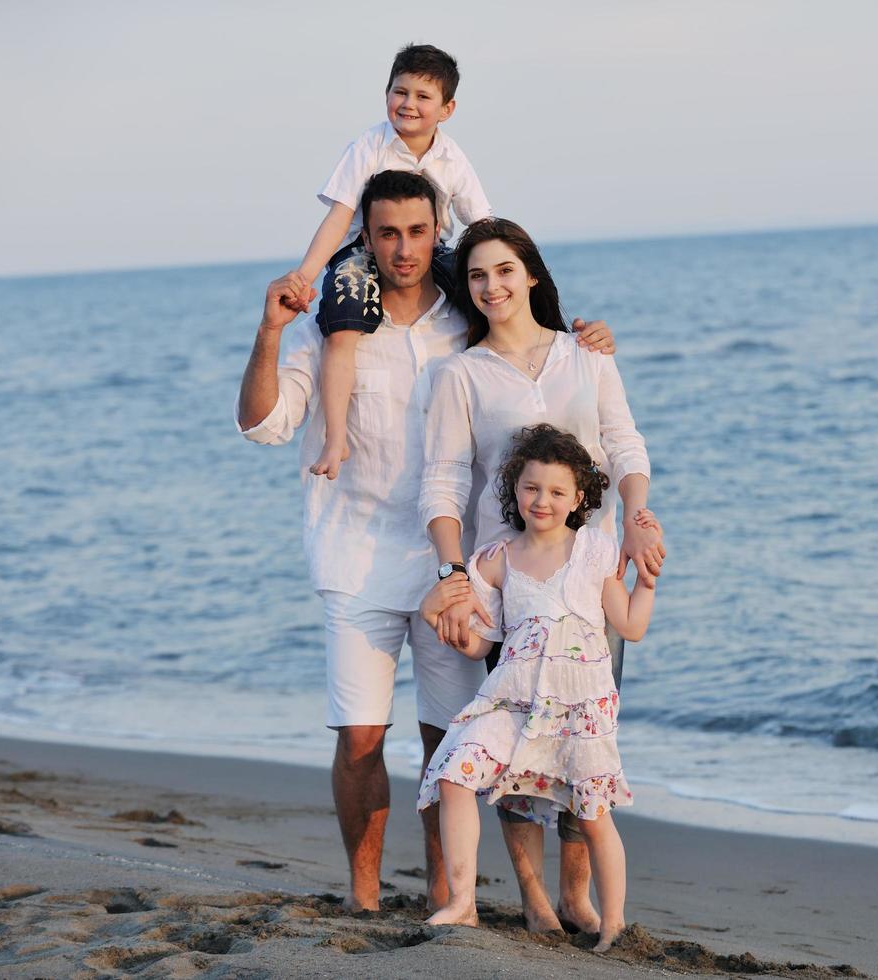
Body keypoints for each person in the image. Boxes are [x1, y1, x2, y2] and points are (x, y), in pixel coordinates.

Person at [237, 171, 613, 913]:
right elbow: (264, 424)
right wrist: (270, 330)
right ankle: (365, 896)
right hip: (357, 558)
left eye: (416, 232)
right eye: (386, 233)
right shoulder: (331, 331)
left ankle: (448, 893)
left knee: (453, 742)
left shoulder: (465, 322)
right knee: (359, 739)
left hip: (459, 571)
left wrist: (585, 340)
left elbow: (533, 359)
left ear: (435, 228)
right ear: (367, 238)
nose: (403, 248)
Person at [419, 217, 666, 934]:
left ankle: (575, 894)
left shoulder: (585, 355)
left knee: (583, 731)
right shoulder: (460, 375)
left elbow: (624, 444)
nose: (491, 286)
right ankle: (532, 895)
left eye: (503, 270)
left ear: (531, 273)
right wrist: (456, 575)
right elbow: (440, 484)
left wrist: (640, 516)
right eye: (476, 276)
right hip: (510, 580)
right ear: (467, 291)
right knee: (519, 735)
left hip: (590, 571)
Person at [418, 424, 661, 952]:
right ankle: (462, 901)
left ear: (579, 498)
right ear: (514, 489)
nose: (542, 501)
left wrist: (646, 583)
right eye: (531, 488)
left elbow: (631, 626)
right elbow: (481, 646)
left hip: (580, 710)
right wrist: (436, 615)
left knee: (594, 815)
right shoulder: (495, 559)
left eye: (556, 492)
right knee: (456, 772)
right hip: (514, 702)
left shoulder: (596, 550)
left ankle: (614, 920)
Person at [289, 42, 491, 481]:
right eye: (400, 92)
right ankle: (337, 436)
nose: (409, 104)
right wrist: (305, 276)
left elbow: (482, 222)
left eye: (423, 97)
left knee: (481, 299)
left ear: (447, 108)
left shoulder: (452, 158)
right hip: (362, 251)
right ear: (386, 94)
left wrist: (511, 276)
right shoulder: (368, 147)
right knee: (342, 326)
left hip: (431, 252)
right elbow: (340, 213)